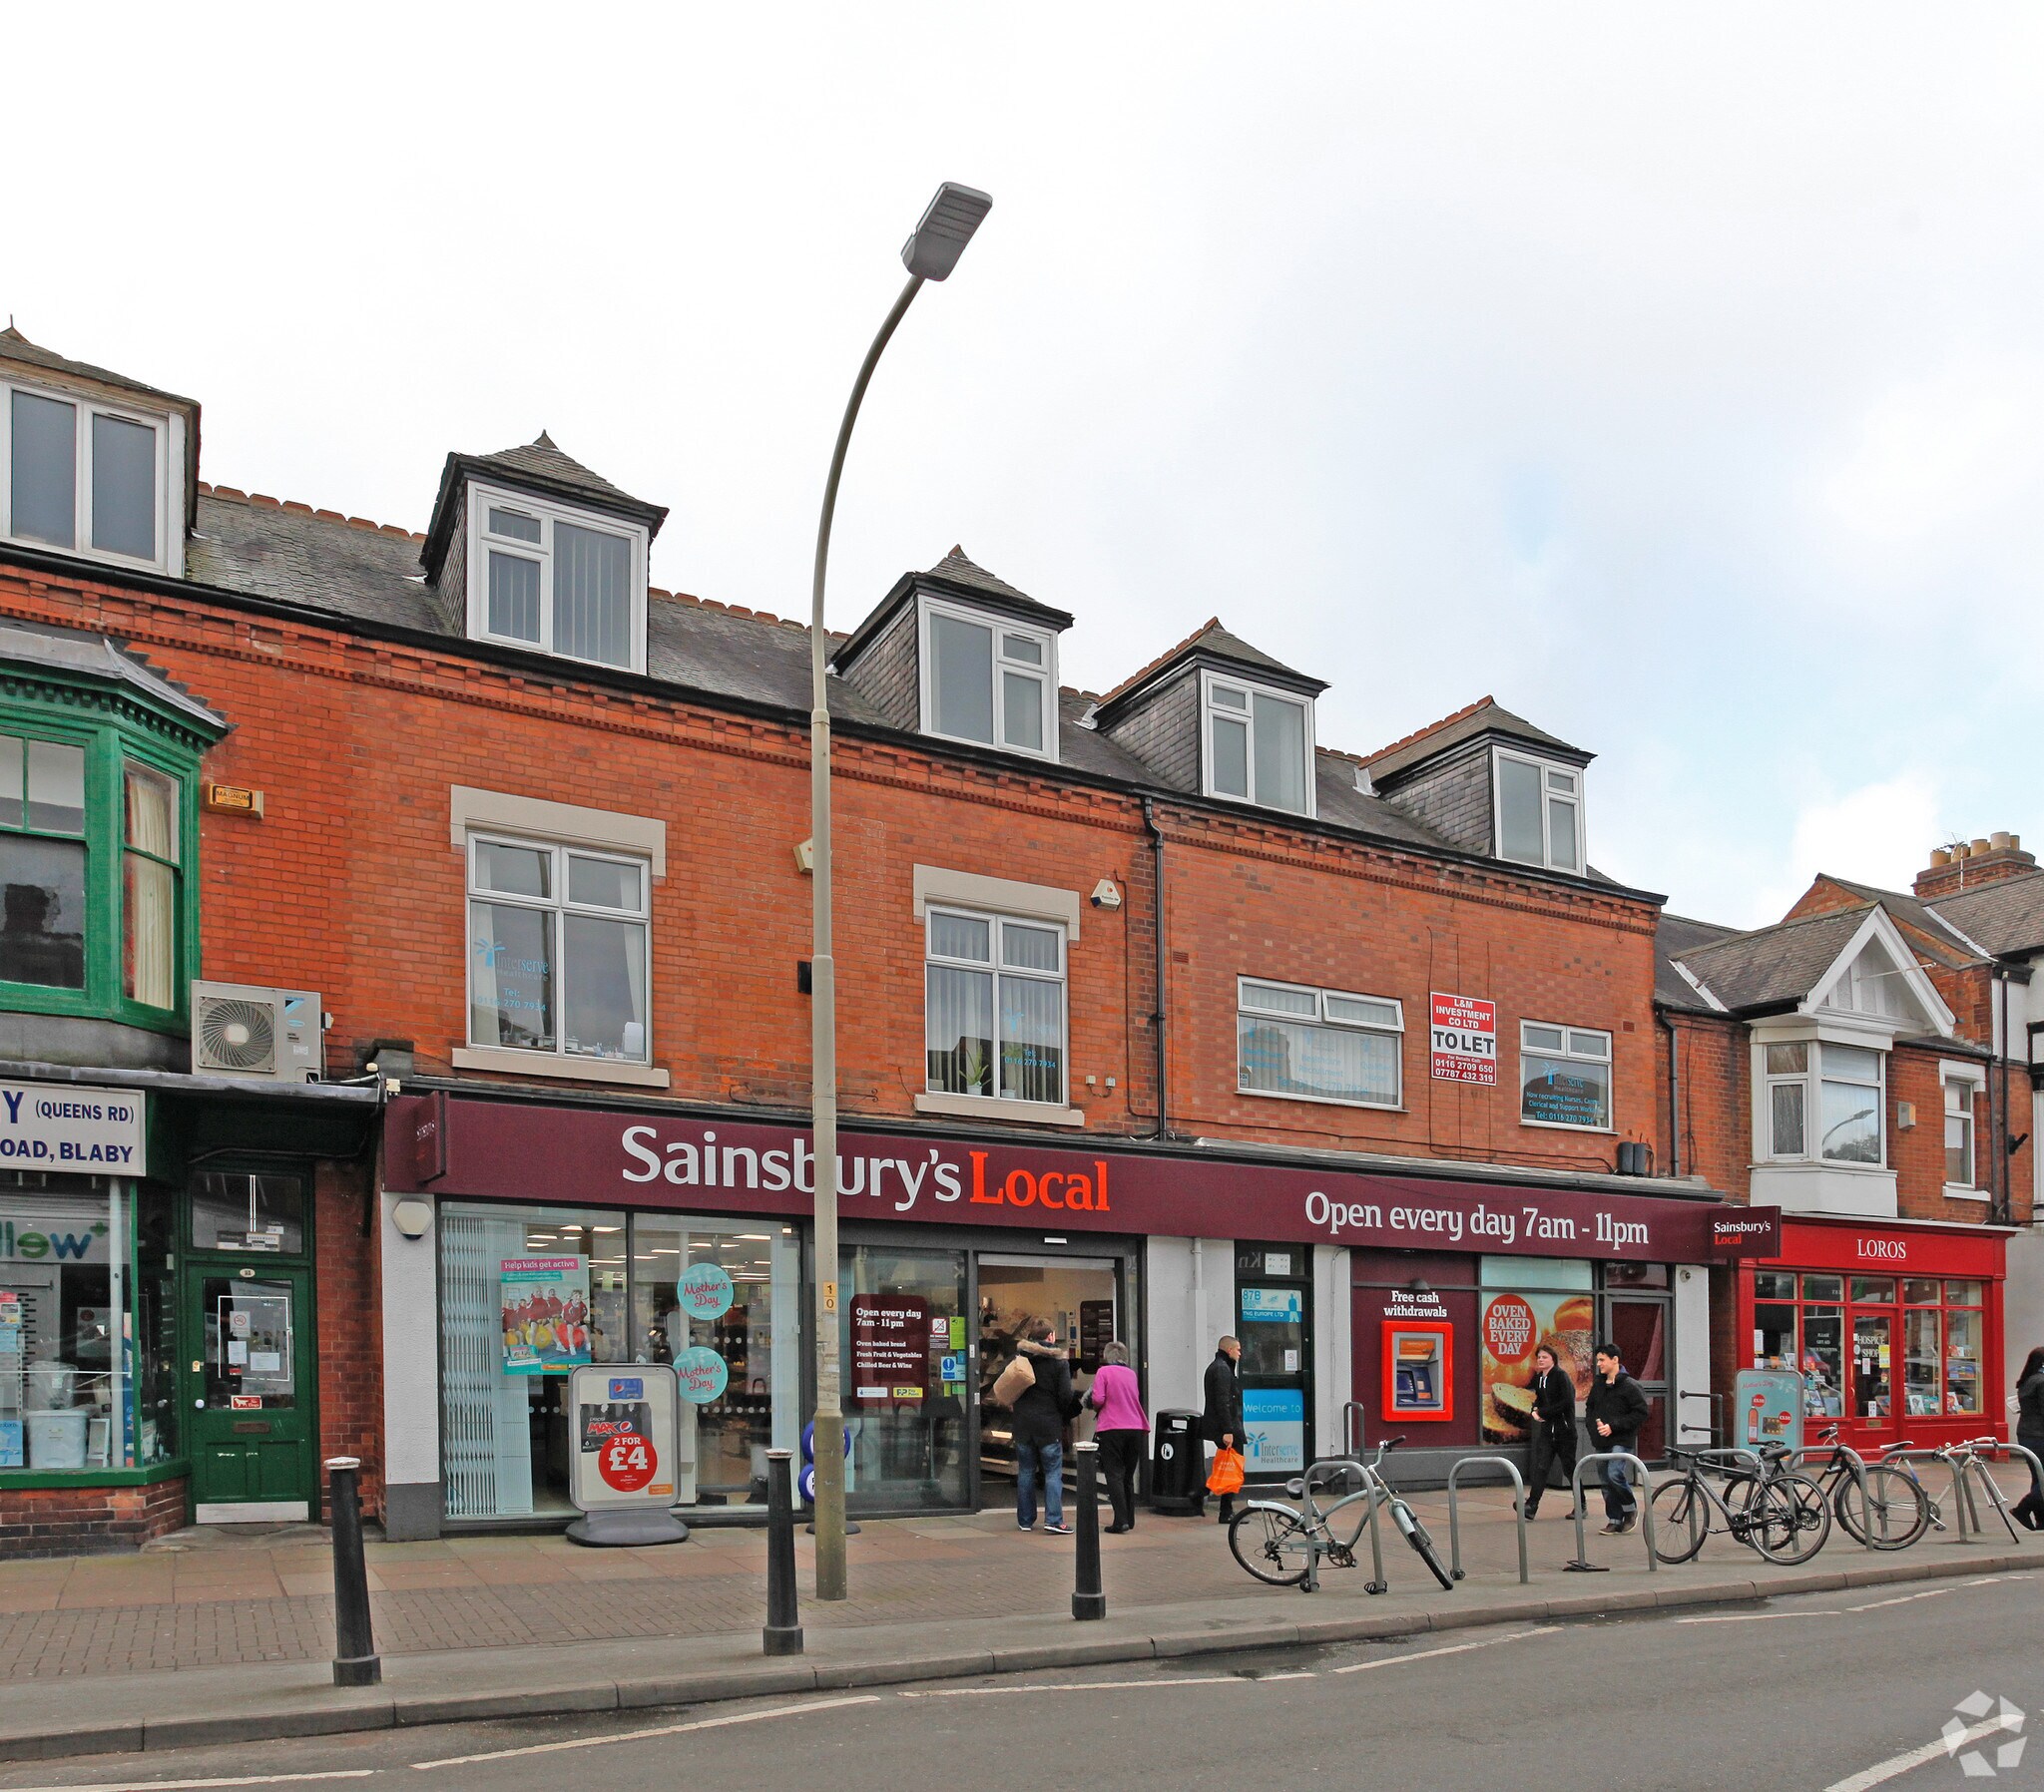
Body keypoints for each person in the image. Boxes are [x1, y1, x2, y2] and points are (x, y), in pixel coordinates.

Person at [1011, 1323, 1077, 1534]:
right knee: (1052, 1473)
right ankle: (1054, 1520)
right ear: (1050, 1336)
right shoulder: (1058, 1364)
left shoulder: (1020, 1359)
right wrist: (1061, 1413)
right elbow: (1065, 1396)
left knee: (1026, 1472)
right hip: (1048, 1425)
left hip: (1023, 1424)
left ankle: (1025, 1520)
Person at [1584, 1342, 1649, 1533]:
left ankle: (1630, 1510)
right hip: (1602, 1440)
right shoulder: (1598, 1385)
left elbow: (1641, 1413)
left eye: (1602, 1360)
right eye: (1598, 1361)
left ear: (1615, 1360)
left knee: (1614, 1473)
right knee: (1605, 1480)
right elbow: (1590, 1407)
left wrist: (1614, 1426)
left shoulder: (1630, 1386)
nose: (1599, 1364)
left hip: (1621, 1439)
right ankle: (1614, 1519)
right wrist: (1593, 1429)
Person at [1087, 1341, 1148, 1534]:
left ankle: (1120, 1520)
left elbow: (1097, 1399)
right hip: (1135, 1427)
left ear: (1107, 1356)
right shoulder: (1131, 1374)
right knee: (1128, 1476)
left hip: (1112, 1427)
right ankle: (1129, 1518)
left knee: (1114, 1474)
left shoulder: (1103, 1373)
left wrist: (1097, 1406)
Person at [1522, 1344, 1578, 1519]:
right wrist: (1534, 1410)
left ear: (1553, 1359)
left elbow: (1566, 1402)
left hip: (1564, 1432)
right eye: (1539, 1357)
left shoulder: (1561, 1377)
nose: (1540, 1360)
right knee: (1541, 1467)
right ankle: (1531, 1506)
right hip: (1547, 1431)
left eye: (1544, 1357)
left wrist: (1543, 1412)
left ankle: (1581, 1504)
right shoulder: (1540, 1378)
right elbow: (1538, 1398)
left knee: (1570, 1469)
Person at [1202, 1334, 1246, 1524]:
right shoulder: (1222, 1370)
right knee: (1231, 1468)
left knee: (1227, 1466)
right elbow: (1223, 1401)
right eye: (1237, 1349)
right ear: (1229, 1350)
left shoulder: (1221, 1367)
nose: (1240, 1353)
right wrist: (1228, 1430)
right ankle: (1225, 1511)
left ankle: (1220, 1506)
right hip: (1227, 1428)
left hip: (1225, 1426)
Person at [2010, 1345, 2044, 1531]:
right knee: (2043, 1479)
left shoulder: (2027, 1380)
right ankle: (2023, 1508)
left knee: (2038, 1477)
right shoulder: (2042, 1381)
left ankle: (2041, 1519)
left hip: (2026, 1433)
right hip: (2040, 1435)